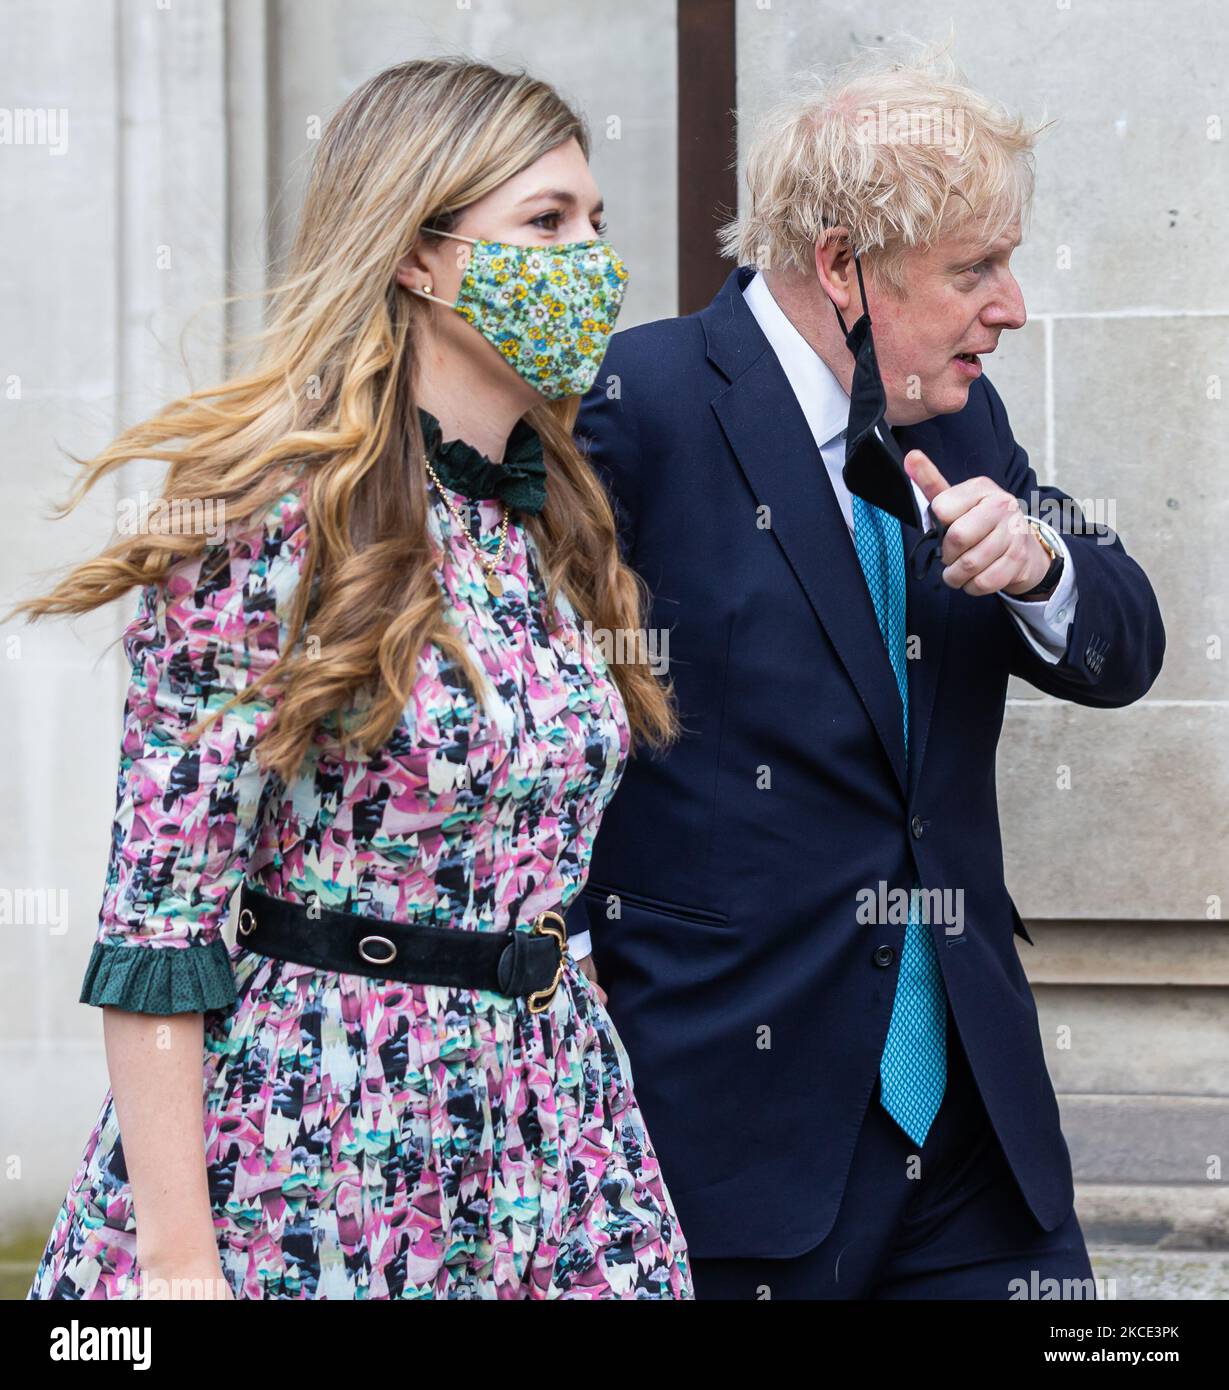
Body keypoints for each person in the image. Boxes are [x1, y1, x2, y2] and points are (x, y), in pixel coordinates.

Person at [15, 56, 692, 1301]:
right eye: (545, 222)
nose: (592, 256)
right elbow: (158, 921)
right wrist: (177, 1264)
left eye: (597, 222)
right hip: (319, 1130)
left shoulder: (552, 518)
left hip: (558, 1123)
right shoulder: (268, 518)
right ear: (416, 256)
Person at [564, 44, 1165, 1299]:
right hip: (733, 1129)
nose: (1008, 307)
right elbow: (537, 739)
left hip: (974, 1142)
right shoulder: (639, 401)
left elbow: (1124, 648)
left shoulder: (953, 407)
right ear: (838, 265)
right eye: (971, 271)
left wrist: (1041, 560)